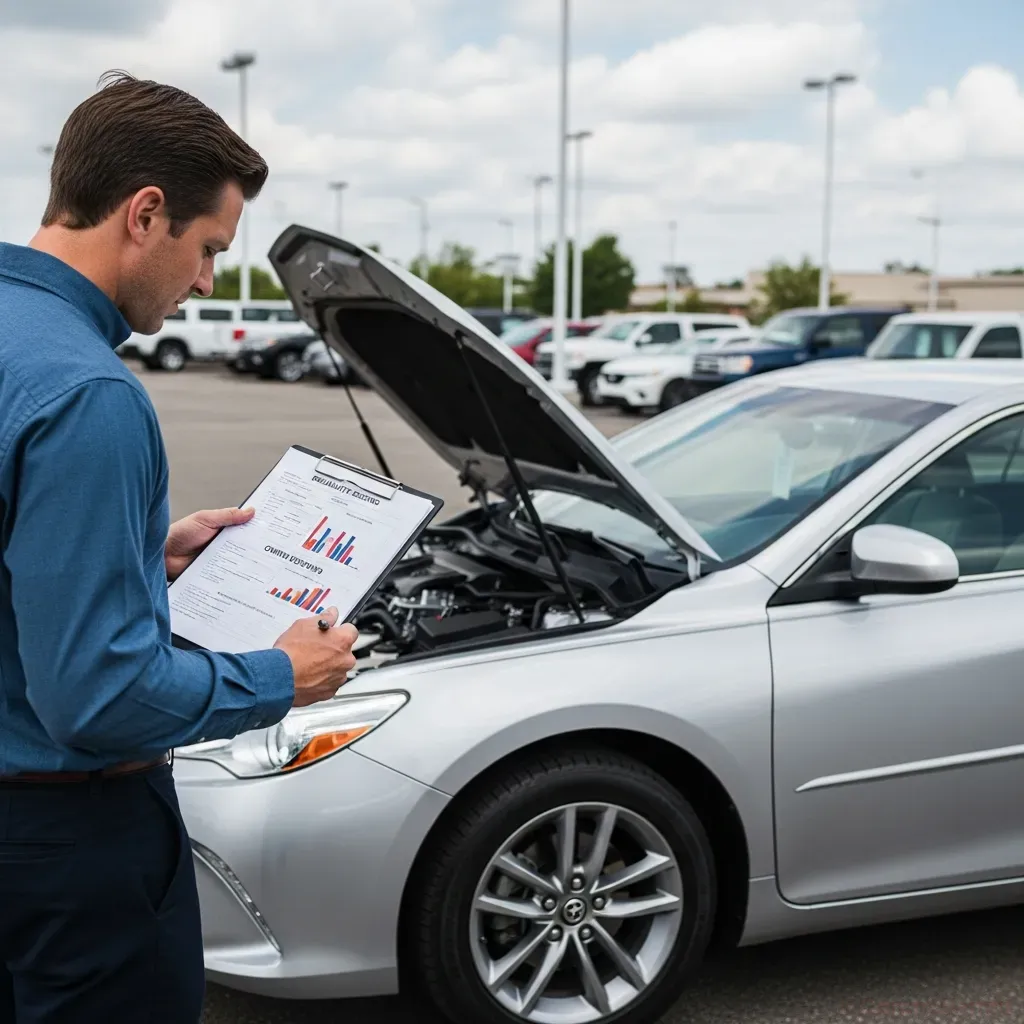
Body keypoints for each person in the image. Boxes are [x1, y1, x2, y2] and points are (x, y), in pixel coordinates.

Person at [0, 71, 359, 1023]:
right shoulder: (90, 395)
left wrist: (132, 556)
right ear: (145, 213)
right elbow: (100, 700)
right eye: (208, 249)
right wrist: (284, 676)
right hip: (63, 854)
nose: (206, 281)